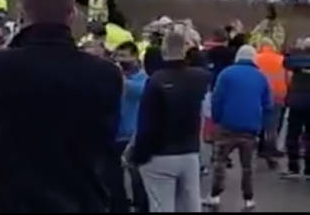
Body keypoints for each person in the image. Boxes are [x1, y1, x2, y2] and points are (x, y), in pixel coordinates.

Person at [0, 0, 122, 212]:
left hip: (10, 201)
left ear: (21, 13)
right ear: (72, 14)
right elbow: (104, 141)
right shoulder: (106, 75)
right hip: (82, 200)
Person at [129, 29, 211, 213]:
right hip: (189, 152)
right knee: (190, 205)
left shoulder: (156, 81)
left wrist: (138, 155)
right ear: (186, 50)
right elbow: (204, 66)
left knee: (161, 206)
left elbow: (147, 123)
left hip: (159, 155)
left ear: (163, 51)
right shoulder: (199, 77)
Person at [203, 45, 270, 212]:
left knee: (220, 162)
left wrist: (217, 120)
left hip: (227, 126)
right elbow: (267, 104)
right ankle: (248, 199)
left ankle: (215, 195)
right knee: (247, 166)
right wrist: (260, 123)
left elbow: (217, 99)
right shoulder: (261, 77)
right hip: (250, 128)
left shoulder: (226, 74)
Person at [107, 42, 148, 213]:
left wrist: (118, 77)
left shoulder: (143, 80)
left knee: (137, 177)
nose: (121, 60)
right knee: (113, 178)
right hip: (115, 134)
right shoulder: (114, 78)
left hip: (134, 135)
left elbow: (137, 91)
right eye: (118, 56)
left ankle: (142, 206)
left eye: (125, 56)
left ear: (135, 57)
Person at [282, 39, 310, 179]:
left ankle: (293, 166)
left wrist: (297, 49)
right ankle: (309, 168)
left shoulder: (296, 61)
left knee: (293, 134)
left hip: (297, 102)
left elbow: (286, 62)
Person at [255, 41, 287, 165]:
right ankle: (270, 149)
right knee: (273, 125)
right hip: (277, 94)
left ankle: (260, 146)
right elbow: (287, 77)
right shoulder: (281, 59)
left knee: (260, 121)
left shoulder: (256, 58)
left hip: (259, 94)